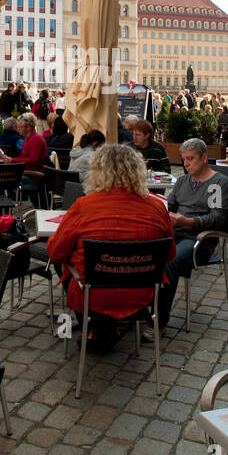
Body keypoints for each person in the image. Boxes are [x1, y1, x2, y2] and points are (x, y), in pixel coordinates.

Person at [45, 145, 176, 347]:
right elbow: (169, 255)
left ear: (97, 172)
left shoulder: (83, 206)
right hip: (141, 293)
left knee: (65, 263)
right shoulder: (157, 207)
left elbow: (56, 252)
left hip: (92, 295)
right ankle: (107, 327)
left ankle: (96, 328)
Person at [160, 139, 228, 334]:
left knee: (170, 261)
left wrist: (188, 221)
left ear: (204, 158)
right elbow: (170, 205)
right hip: (175, 233)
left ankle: (158, 322)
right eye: (184, 159)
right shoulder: (184, 181)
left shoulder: (217, 184)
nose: (186, 164)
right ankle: (141, 310)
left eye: (190, 159)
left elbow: (217, 218)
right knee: (146, 252)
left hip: (200, 240)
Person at [7, 113, 48, 202]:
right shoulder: (28, 139)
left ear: (28, 127)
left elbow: (32, 161)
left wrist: (12, 161)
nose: (18, 129)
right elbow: (23, 158)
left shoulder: (35, 140)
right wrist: (11, 161)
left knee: (4, 179)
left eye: (20, 126)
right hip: (29, 173)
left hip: (34, 176)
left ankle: (6, 208)